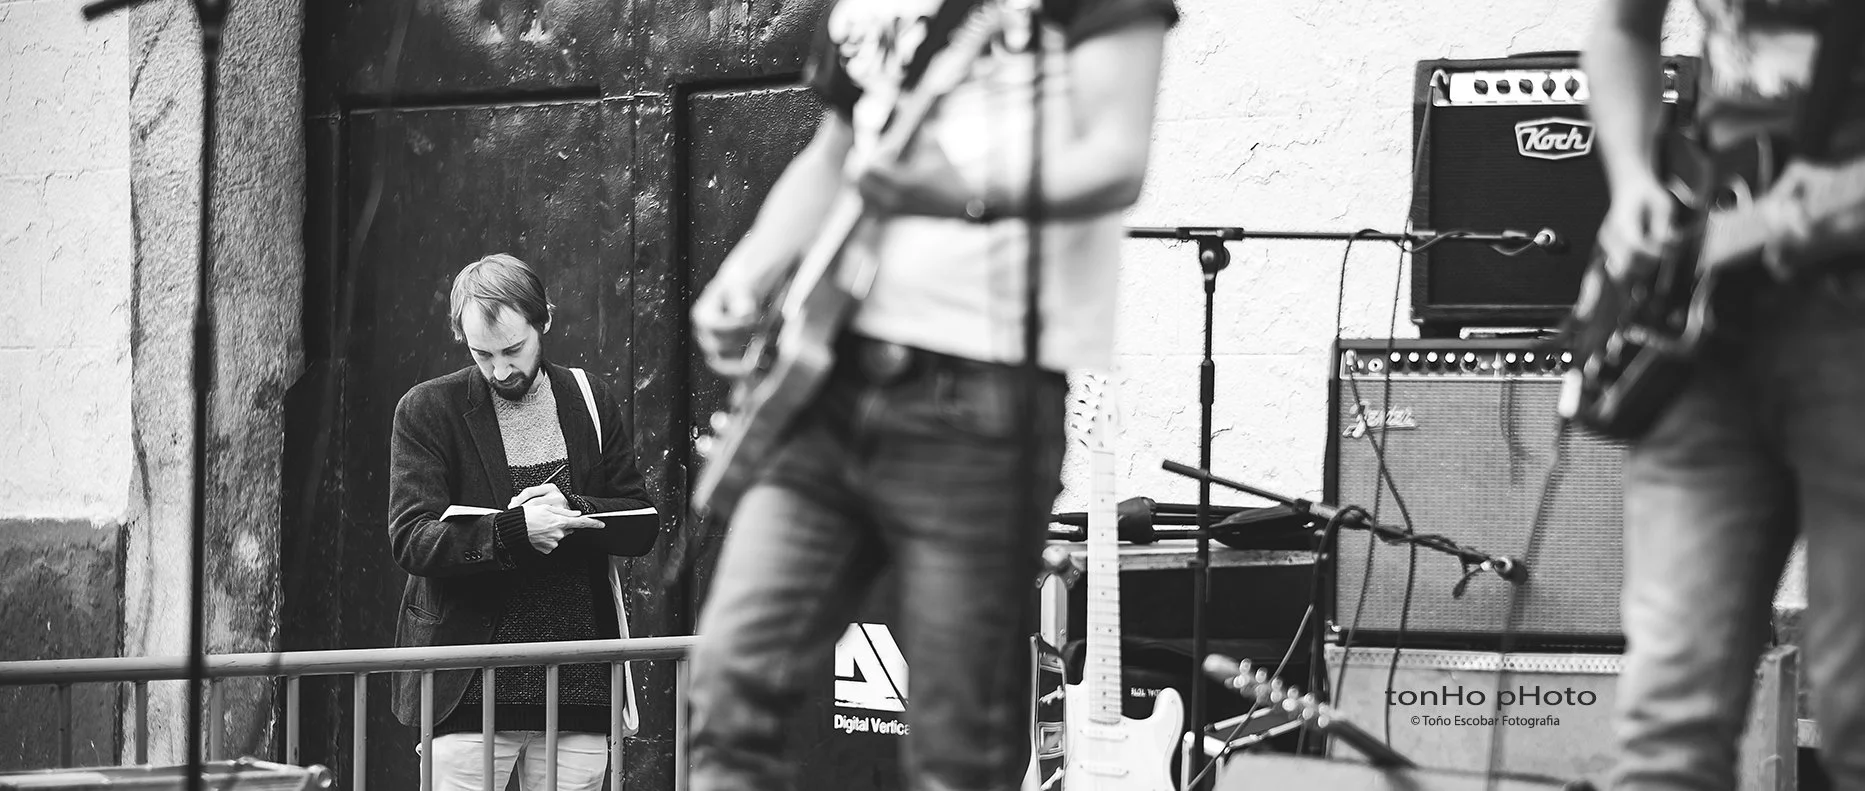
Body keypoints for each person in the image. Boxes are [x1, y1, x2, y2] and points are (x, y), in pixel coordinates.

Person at [683, 0, 1177, 789]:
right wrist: (745, 272)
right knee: (728, 691)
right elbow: (835, 152)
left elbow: (1117, 159)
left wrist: (962, 191)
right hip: (827, 381)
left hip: (980, 399)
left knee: (954, 748)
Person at [1587, 1, 1865, 788]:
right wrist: (1632, 180)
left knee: (1854, 712)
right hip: (1708, 340)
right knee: (1662, 727)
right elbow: (1620, 28)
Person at [386, 253, 657, 791]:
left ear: (545, 321)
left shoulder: (589, 397)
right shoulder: (427, 408)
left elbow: (641, 523)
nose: (501, 370)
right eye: (482, 354)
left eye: (513, 349)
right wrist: (513, 531)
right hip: (469, 690)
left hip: (577, 690)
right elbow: (412, 539)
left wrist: (572, 509)